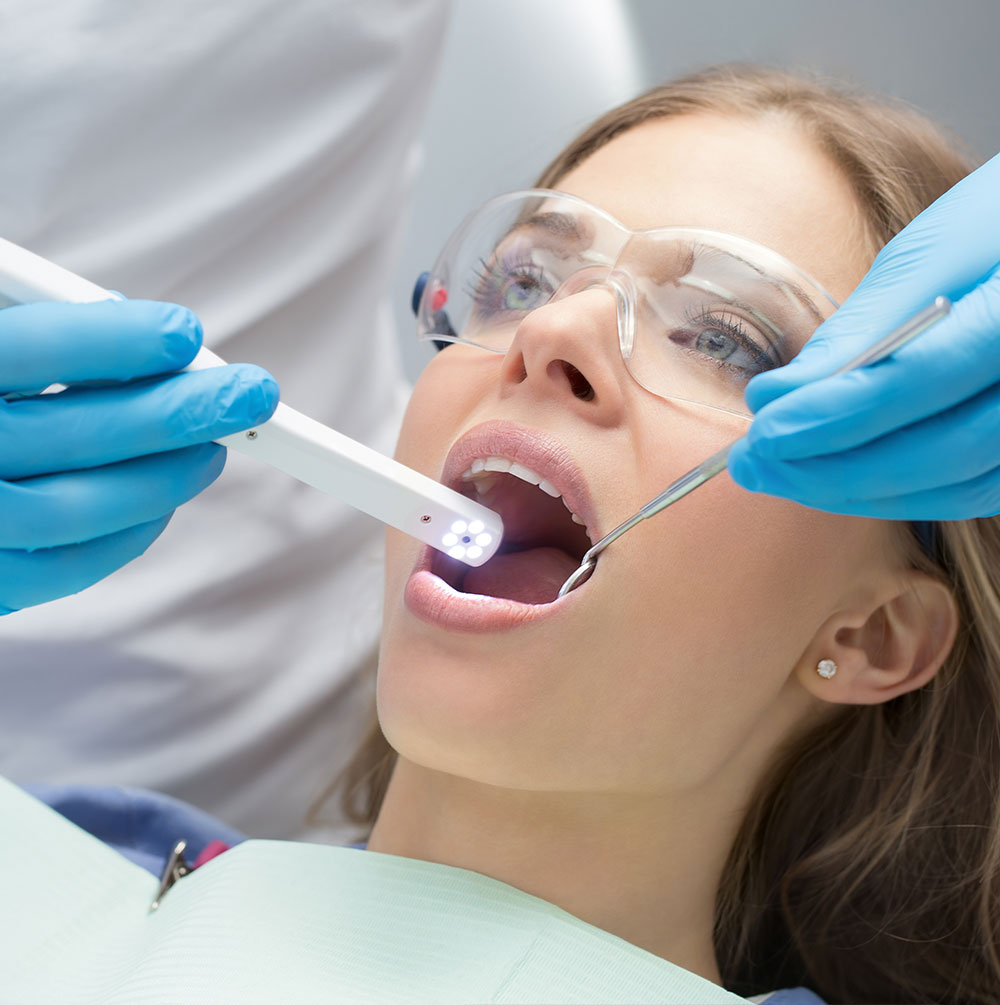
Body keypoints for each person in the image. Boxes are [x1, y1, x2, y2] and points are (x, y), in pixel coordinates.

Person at [12, 65, 1000, 1003]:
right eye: (525, 280)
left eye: (719, 339)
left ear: (871, 637)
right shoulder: (61, 866)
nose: (553, 332)